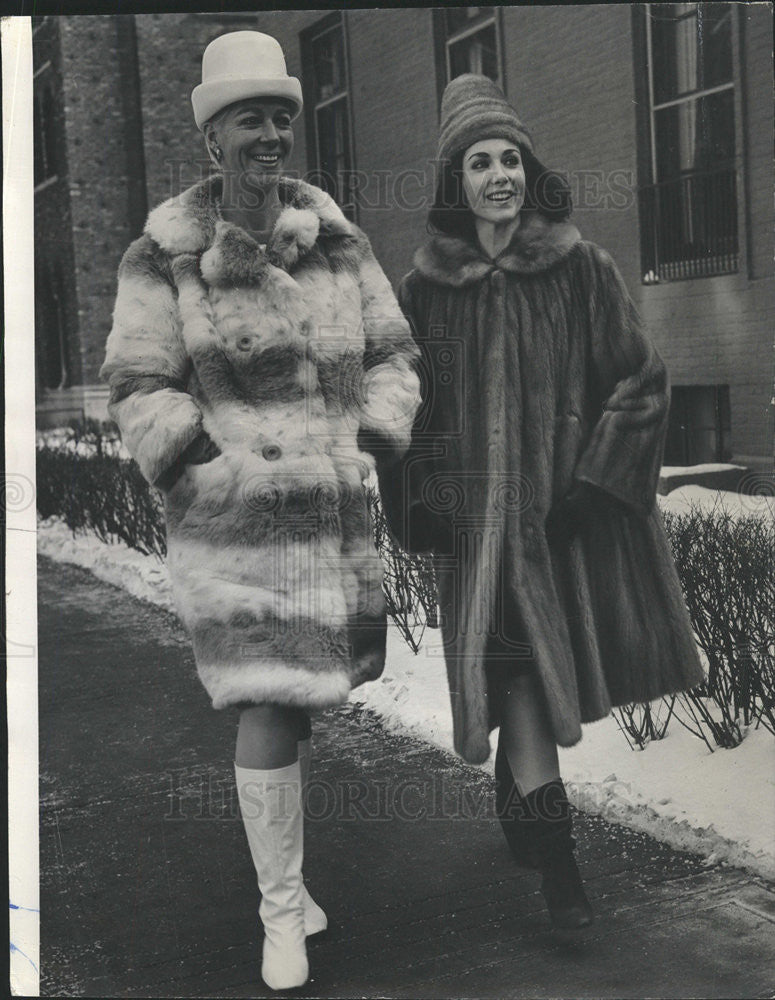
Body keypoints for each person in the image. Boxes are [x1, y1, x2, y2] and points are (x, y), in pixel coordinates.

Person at [100, 31, 420, 991]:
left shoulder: (338, 241)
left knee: (306, 700)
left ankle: (296, 892)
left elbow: (392, 356)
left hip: (333, 514)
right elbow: (137, 382)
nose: (272, 134)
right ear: (213, 140)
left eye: (282, 115)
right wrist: (205, 460)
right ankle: (280, 911)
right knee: (268, 699)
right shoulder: (166, 257)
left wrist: (368, 440)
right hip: (237, 524)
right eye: (251, 119)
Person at [376, 74, 704, 930]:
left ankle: (521, 804)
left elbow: (640, 381)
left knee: (528, 680)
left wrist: (595, 486)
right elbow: (403, 406)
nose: (498, 175)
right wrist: (416, 495)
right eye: (479, 161)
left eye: (510, 159)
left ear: (529, 170)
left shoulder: (580, 269)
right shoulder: (422, 293)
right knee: (517, 678)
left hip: (560, 525)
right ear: (456, 182)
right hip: (479, 537)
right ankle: (562, 874)